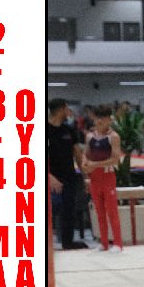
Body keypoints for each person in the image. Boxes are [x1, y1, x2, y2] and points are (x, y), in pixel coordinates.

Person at [47, 98, 88, 250]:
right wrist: (49, 177)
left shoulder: (69, 130)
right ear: (61, 109)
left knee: (69, 210)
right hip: (51, 177)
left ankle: (67, 242)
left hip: (69, 176)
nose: (68, 112)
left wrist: (85, 176)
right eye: (66, 109)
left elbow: (77, 154)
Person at [82, 105, 123, 252]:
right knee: (99, 212)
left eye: (103, 118)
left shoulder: (113, 137)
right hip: (94, 178)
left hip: (107, 177)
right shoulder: (89, 136)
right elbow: (86, 154)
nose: (99, 121)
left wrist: (95, 165)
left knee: (112, 211)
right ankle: (104, 243)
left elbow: (115, 159)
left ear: (109, 120)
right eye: (97, 118)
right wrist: (84, 163)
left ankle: (117, 243)